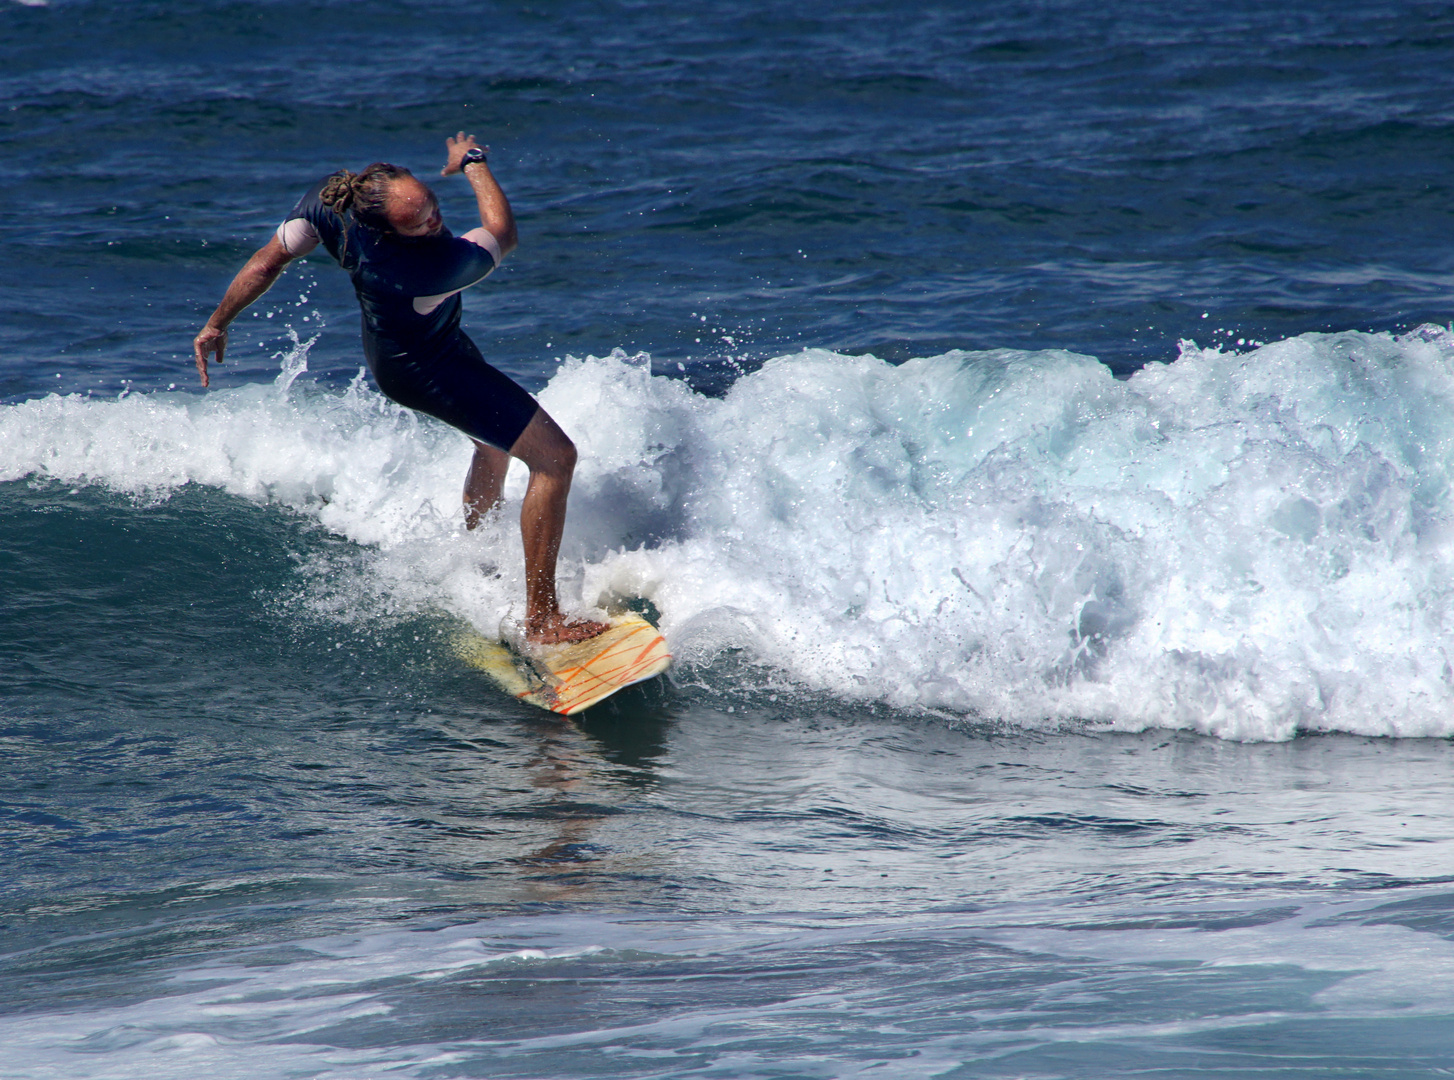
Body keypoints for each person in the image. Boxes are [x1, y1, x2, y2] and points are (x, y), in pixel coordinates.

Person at [193, 132, 608, 645]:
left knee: (492, 442)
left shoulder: (333, 199)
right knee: (555, 458)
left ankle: (478, 559)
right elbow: (503, 231)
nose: (433, 220)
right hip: (425, 367)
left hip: (409, 345)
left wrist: (217, 322)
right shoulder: (426, 266)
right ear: (385, 229)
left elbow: (267, 260)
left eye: (431, 205)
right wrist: (472, 163)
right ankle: (542, 620)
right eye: (417, 222)